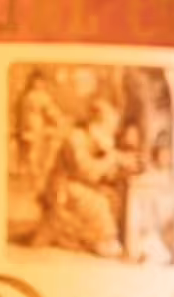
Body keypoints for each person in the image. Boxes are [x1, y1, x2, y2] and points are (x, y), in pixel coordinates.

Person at [34, 100, 132, 258]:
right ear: (95, 123)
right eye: (108, 127)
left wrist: (120, 168)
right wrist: (111, 160)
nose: (111, 132)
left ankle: (101, 240)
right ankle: (101, 242)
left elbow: (102, 170)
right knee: (99, 202)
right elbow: (86, 171)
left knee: (114, 196)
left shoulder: (96, 140)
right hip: (63, 187)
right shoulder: (75, 138)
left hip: (80, 183)